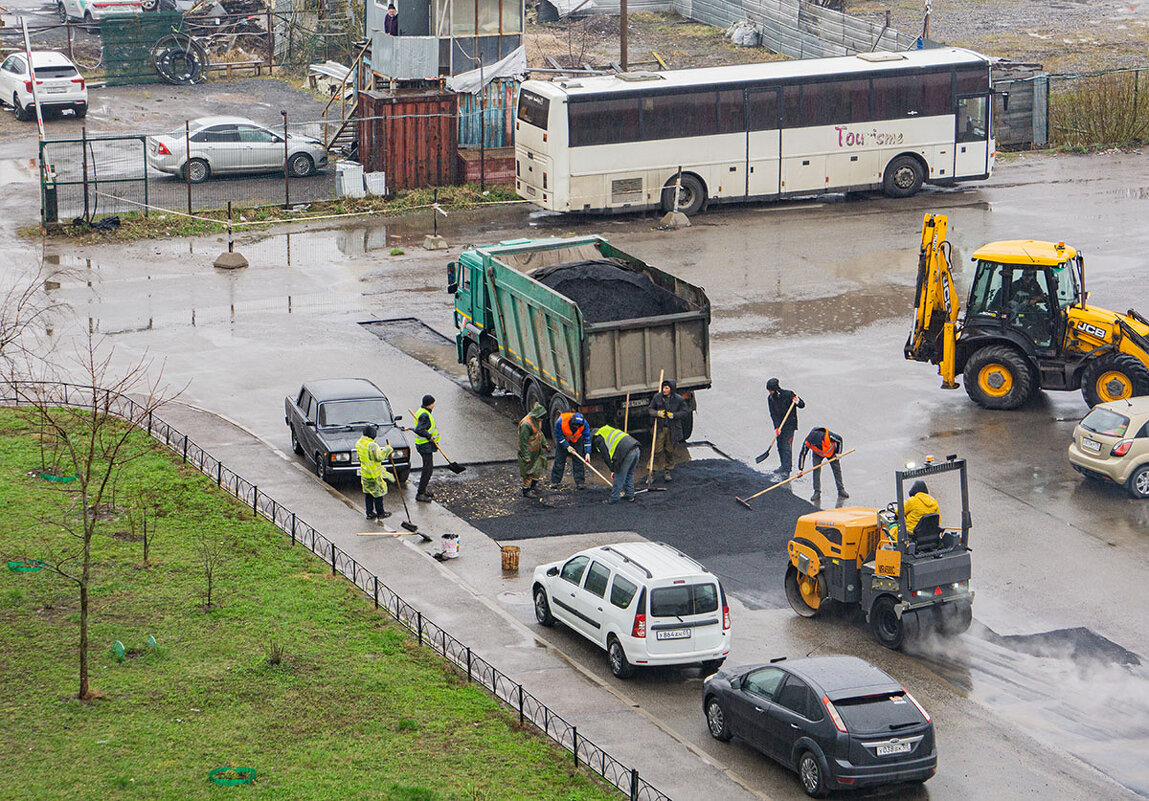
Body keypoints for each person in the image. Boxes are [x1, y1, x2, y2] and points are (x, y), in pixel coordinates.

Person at [647, 378, 687, 481]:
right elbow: (650, 409)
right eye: (663, 388)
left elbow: (684, 412)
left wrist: (674, 415)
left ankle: (668, 471)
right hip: (660, 428)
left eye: (666, 388)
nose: (664, 390)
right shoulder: (657, 398)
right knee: (657, 450)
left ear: (671, 389)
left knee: (669, 450)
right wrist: (657, 413)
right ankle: (651, 472)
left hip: (672, 429)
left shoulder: (679, 400)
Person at [766, 377, 804, 479]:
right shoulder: (770, 399)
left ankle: (787, 470)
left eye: (771, 390)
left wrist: (797, 401)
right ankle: (783, 466)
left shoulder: (788, 394)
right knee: (780, 446)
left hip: (790, 425)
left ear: (775, 389)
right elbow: (773, 414)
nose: (770, 392)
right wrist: (777, 427)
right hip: (780, 426)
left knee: (786, 447)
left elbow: (802, 405)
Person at [356, 424, 395, 521]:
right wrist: (387, 450)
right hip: (374, 474)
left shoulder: (360, 443)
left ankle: (369, 513)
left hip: (364, 474)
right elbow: (379, 457)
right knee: (378, 494)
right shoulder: (372, 445)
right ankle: (380, 512)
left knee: (368, 493)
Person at [593, 424, 640, 504]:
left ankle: (614, 498)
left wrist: (613, 470)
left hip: (626, 452)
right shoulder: (607, 429)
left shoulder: (598, 438)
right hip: (636, 448)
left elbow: (606, 456)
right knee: (629, 473)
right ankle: (630, 495)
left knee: (619, 475)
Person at [798, 426, 849, 499]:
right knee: (816, 470)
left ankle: (841, 490)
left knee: (837, 470)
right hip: (817, 454)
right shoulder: (808, 441)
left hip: (832, 453)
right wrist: (800, 469)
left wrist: (839, 453)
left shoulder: (829, 435)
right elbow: (803, 454)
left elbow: (839, 440)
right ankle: (817, 492)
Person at [550, 410, 591, 489]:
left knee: (578, 461)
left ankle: (580, 482)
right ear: (571, 422)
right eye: (575, 425)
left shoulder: (584, 424)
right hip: (564, 440)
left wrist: (587, 452)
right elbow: (558, 435)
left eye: (578, 426)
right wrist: (567, 446)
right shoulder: (561, 421)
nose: (576, 427)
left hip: (576, 440)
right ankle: (555, 481)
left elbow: (587, 437)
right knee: (559, 460)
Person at [518, 402, 550, 496]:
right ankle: (526, 490)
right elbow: (523, 442)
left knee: (538, 468)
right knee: (527, 472)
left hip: (537, 450)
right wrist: (526, 456)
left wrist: (545, 444)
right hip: (528, 451)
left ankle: (533, 486)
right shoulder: (526, 425)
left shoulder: (536, 421)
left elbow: (539, 433)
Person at [413, 394, 439, 502]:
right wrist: (429, 436)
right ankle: (420, 493)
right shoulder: (424, 415)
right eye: (433, 403)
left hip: (423, 445)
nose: (434, 405)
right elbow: (419, 429)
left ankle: (423, 490)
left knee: (428, 468)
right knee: (427, 470)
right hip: (425, 446)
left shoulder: (421, 411)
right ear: (429, 404)